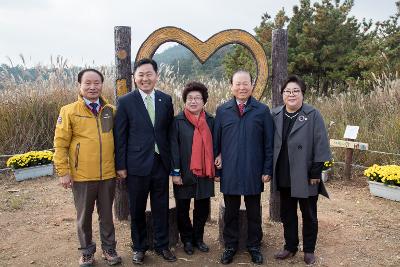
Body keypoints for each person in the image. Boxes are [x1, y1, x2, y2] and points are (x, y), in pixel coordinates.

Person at [53, 69, 122, 267]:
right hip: (82, 175)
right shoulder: (69, 111)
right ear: (79, 86)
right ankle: (86, 252)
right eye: (88, 83)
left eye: (97, 83)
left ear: (102, 85)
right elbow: (60, 143)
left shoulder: (110, 110)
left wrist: (119, 167)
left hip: (107, 174)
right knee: (84, 217)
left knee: (107, 216)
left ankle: (109, 249)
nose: (92, 87)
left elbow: (117, 141)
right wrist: (64, 172)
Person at [114, 58, 176, 264]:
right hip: (136, 164)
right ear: (134, 77)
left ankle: (162, 245)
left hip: (160, 162)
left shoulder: (165, 100)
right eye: (140, 75)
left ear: (156, 76)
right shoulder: (125, 102)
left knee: (161, 207)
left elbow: (169, 133)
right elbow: (120, 137)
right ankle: (139, 247)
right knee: (137, 208)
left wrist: (172, 163)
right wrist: (120, 165)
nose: (145, 78)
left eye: (149, 74)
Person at [214, 70, 274, 265]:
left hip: (253, 169)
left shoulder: (262, 110)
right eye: (238, 84)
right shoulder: (223, 111)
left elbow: (269, 143)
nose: (242, 87)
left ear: (251, 85)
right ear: (231, 86)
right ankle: (230, 245)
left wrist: (267, 169)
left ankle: (254, 245)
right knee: (230, 210)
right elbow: (217, 143)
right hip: (230, 169)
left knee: (254, 210)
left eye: (245, 83)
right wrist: (217, 169)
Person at [271, 75, 331, 265]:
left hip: (305, 174)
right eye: (287, 91)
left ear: (302, 94)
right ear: (282, 95)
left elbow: (321, 143)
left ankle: (309, 249)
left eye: (296, 91)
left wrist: (315, 172)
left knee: (309, 213)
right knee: (287, 213)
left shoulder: (313, 114)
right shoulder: (275, 115)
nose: (291, 94)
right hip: (283, 172)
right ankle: (290, 246)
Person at [170, 81, 215, 255]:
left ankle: (198, 238)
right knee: (182, 208)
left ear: (204, 101)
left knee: (202, 208)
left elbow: (217, 145)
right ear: (185, 101)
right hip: (184, 173)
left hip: (204, 173)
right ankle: (187, 239)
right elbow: (174, 147)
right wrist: (175, 172)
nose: (194, 101)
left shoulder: (211, 120)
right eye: (190, 98)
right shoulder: (177, 121)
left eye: (198, 98)